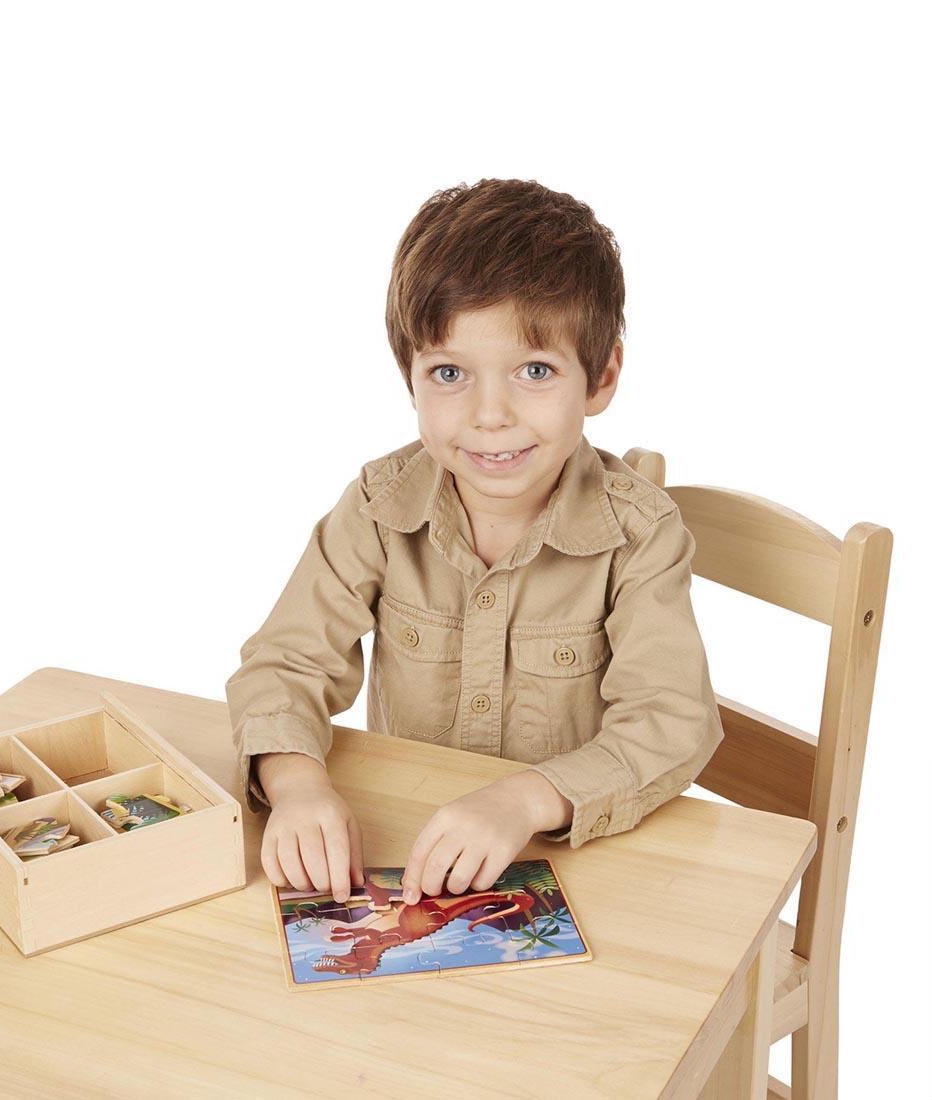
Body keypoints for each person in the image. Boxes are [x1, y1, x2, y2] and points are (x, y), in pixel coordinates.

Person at [224, 178, 724, 908]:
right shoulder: (378, 506)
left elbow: (671, 722)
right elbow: (284, 662)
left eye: (535, 371)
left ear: (602, 376)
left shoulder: (640, 536)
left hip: (579, 865)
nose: (490, 415)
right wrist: (298, 787)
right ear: (411, 379)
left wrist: (524, 801)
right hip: (411, 850)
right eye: (450, 373)